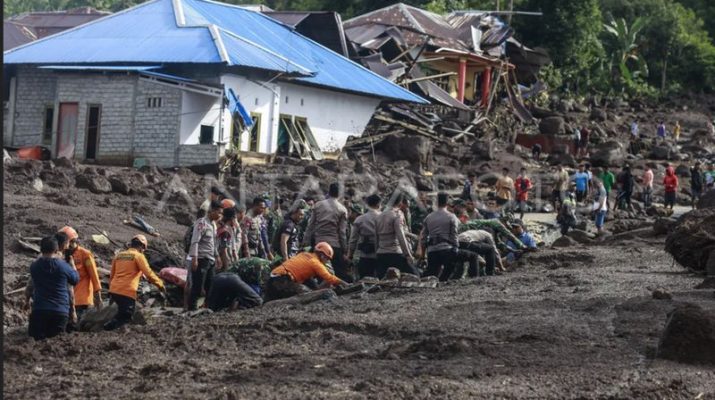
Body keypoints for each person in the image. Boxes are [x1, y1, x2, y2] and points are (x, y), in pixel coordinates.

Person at [104, 235, 165, 330]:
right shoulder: (138, 256)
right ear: (141, 246)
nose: (143, 251)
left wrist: (110, 291)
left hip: (114, 289)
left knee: (122, 313)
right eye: (144, 249)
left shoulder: (119, 255)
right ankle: (108, 329)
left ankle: (110, 328)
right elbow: (148, 273)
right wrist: (160, 284)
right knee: (126, 316)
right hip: (127, 291)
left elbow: (112, 274)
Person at [26, 236, 79, 340]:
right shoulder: (63, 266)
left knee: (34, 344)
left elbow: (31, 286)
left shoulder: (34, 266)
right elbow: (75, 280)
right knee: (55, 346)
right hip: (60, 311)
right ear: (56, 250)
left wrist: (26, 300)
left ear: (41, 249)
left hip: (39, 310)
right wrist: (73, 266)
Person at [302, 182, 351, 282]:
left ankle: (320, 290)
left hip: (319, 244)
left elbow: (310, 226)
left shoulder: (318, 205)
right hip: (334, 244)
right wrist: (345, 249)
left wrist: (305, 242)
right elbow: (342, 232)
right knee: (340, 271)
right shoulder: (342, 209)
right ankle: (341, 290)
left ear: (329, 191)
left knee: (318, 271)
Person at [264, 242, 346, 301]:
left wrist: (317, 289)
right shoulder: (315, 262)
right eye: (327, 258)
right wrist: (346, 284)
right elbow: (330, 277)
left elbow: (310, 281)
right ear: (322, 255)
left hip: (273, 278)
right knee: (309, 296)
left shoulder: (303, 255)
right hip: (282, 281)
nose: (327, 261)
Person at [60, 226, 102, 320]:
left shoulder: (85, 254)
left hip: (82, 301)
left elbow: (94, 275)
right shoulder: (62, 255)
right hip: (67, 300)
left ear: (71, 241)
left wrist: (98, 296)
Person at [187, 200, 222, 311]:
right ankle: (191, 310)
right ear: (212, 211)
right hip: (201, 259)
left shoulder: (213, 225)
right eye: (219, 213)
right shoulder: (202, 223)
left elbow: (213, 243)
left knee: (210, 286)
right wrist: (195, 258)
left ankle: (207, 308)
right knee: (197, 287)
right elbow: (195, 241)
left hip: (210, 259)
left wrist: (217, 256)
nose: (220, 215)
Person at [419, 192, 460, 281]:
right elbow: (454, 235)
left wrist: (423, 255)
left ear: (437, 203)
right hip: (447, 250)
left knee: (431, 274)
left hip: (432, 251)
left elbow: (423, 238)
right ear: (447, 203)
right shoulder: (452, 217)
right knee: (449, 270)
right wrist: (456, 247)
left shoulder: (428, 217)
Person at [375, 193, 418, 278]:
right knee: (415, 276)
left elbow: (376, 236)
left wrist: (377, 252)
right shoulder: (397, 214)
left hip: (381, 253)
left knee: (381, 280)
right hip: (395, 253)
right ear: (400, 202)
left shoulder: (379, 216)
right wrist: (408, 255)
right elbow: (400, 235)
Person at [348, 194, 381, 279]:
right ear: (379, 204)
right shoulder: (383, 217)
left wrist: (350, 255)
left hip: (365, 255)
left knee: (365, 280)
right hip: (382, 254)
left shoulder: (360, 219)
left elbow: (353, 240)